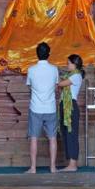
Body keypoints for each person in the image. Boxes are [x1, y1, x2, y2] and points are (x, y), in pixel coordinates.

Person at [25, 42, 59, 173]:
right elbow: (56, 86)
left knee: (34, 138)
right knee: (52, 138)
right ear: (49, 54)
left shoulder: (31, 69)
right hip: (50, 108)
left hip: (35, 108)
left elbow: (29, 86)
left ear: (36, 54)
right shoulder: (54, 69)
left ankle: (33, 168)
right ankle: (53, 167)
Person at [57, 54, 84, 172]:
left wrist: (53, 75)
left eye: (68, 63)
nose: (67, 65)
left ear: (74, 64)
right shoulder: (69, 75)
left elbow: (60, 84)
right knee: (66, 133)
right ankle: (70, 163)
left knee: (71, 134)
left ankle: (73, 164)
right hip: (65, 105)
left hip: (70, 107)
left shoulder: (76, 76)